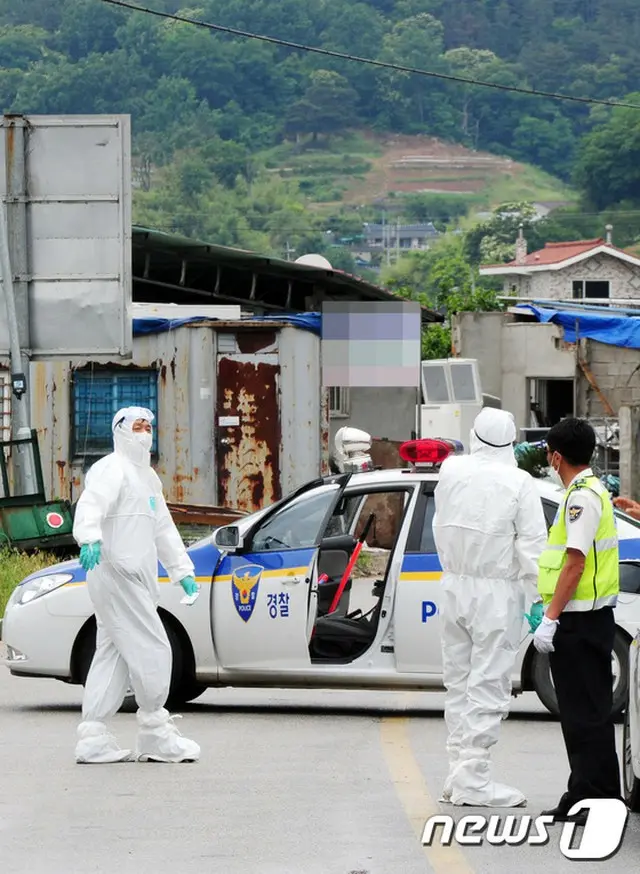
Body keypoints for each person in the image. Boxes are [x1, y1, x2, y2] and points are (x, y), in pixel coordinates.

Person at [72, 406, 201, 764]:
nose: (145, 431)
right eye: (138, 426)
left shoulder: (147, 478)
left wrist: (181, 569)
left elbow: (163, 527)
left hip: (134, 578)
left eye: (149, 425)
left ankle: (93, 736)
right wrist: (89, 539)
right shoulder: (111, 469)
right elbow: (91, 504)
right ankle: (155, 732)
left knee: (112, 654)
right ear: (121, 431)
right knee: (154, 647)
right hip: (117, 573)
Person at [433, 407, 548, 807]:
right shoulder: (520, 483)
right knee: (488, 685)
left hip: (452, 587)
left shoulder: (451, 471)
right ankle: (474, 779)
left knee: (459, 684)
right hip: (496, 594)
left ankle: (456, 772)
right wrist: (540, 601)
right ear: (512, 440)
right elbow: (533, 549)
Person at [533, 417, 621, 824]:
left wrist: (550, 617)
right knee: (584, 712)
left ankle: (597, 798)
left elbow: (574, 562)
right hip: (587, 620)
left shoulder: (580, 498)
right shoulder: (587, 491)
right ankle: (585, 792)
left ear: (556, 456)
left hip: (580, 622)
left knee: (585, 713)